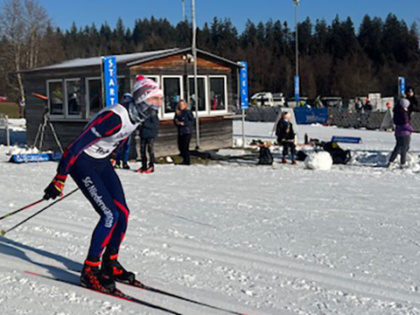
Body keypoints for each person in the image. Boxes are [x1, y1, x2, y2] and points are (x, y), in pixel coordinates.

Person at [42, 75, 163, 293]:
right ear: (144, 98)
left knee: (123, 213)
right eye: (156, 99)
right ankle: (89, 270)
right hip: (82, 162)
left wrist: (115, 155)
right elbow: (75, 146)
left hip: (102, 162)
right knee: (109, 215)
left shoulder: (137, 115)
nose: (159, 105)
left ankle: (110, 261)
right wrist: (60, 178)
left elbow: (122, 137)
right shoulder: (114, 117)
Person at [388, 98, 414, 168]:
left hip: (398, 133)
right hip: (405, 133)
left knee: (397, 147)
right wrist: (411, 129)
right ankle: (403, 163)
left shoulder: (396, 112)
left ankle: (391, 161)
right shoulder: (404, 113)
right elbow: (405, 124)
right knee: (404, 148)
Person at [138, 105, 159, 173]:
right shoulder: (142, 113)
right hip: (143, 134)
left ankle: (151, 165)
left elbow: (155, 125)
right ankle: (143, 166)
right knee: (142, 150)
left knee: (150, 150)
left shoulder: (152, 113)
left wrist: (144, 124)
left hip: (150, 134)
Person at [114, 93, 133, 170]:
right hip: (121, 130)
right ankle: (118, 162)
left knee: (126, 147)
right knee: (120, 146)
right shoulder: (119, 109)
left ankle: (124, 162)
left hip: (128, 130)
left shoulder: (131, 110)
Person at [174, 99, 194, 165]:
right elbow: (174, 121)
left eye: (182, 105)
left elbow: (192, 121)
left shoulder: (187, 112)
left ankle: (187, 161)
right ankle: (184, 159)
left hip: (187, 131)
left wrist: (185, 123)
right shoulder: (178, 113)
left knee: (185, 146)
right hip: (180, 131)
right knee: (181, 146)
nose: (181, 106)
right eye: (180, 105)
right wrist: (177, 123)